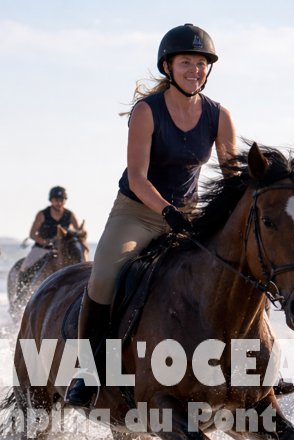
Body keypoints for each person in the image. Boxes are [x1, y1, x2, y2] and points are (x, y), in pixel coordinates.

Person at [64, 23, 236, 406]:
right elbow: (137, 178)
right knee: (104, 278)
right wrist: (167, 211)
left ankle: (252, 367)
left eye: (201, 63)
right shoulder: (147, 112)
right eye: (186, 62)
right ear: (167, 66)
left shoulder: (219, 116)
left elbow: (233, 179)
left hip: (188, 217)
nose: (195, 70)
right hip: (138, 213)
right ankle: (89, 371)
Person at [20, 186, 83, 271]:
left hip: (63, 248)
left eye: (62, 200)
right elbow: (32, 234)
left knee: (81, 261)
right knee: (25, 267)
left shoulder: (70, 215)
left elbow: (79, 232)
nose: (59, 203)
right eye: (56, 200)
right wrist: (45, 242)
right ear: (51, 200)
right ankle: (22, 279)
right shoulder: (42, 214)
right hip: (43, 248)